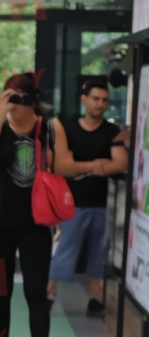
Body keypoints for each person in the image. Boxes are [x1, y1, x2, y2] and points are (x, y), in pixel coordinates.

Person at [0, 72, 72, 337]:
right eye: (9, 96)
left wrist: (94, 165)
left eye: (20, 97)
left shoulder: (49, 127)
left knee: (36, 294)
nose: (14, 102)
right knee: (1, 292)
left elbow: (63, 168)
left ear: (33, 99)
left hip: (35, 226)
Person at [46, 80, 128, 316]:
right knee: (65, 249)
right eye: (95, 99)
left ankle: (95, 298)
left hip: (102, 204)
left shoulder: (113, 131)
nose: (100, 104)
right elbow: (63, 167)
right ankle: (48, 292)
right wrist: (97, 165)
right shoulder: (69, 130)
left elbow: (120, 163)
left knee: (97, 253)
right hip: (71, 204)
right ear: (84, 100)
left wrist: (80, 168)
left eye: (104, 100)